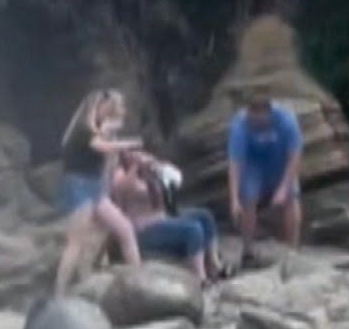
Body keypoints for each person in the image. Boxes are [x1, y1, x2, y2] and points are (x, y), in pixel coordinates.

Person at [53, 89, 143, 295]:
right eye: (110, 110)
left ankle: (140, 279)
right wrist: (131, 143)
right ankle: (59, 292)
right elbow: (102, 147)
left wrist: (109, 133)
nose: (114, 115)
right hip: (78, 187)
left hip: (96, 188)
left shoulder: (100, 131)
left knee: (124, 228)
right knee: (76, 242)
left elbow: (107, 165)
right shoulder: (83, 130)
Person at [111, 150, 227, 284]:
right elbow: (122, 188)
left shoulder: (151, 172)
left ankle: (214, 264)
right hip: (144, 230)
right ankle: (199, 277)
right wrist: (135, 168)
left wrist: (155, 166)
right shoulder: (121, 176)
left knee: (204, 216)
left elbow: (174, 179)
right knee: (193, 229)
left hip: (163, 219)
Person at [227, 92, 304, 265]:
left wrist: (284, 188)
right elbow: (235, 164)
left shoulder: (286, 120)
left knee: (291, 197)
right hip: (253, 165)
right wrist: (234, 199)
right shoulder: (239, 126)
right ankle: (247, 250)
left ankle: (293, 249)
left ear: (267, 112)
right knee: (248, 198)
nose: (254, 121)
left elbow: (295, 156)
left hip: (280, 161)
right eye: (251, 115)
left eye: (258, 117)